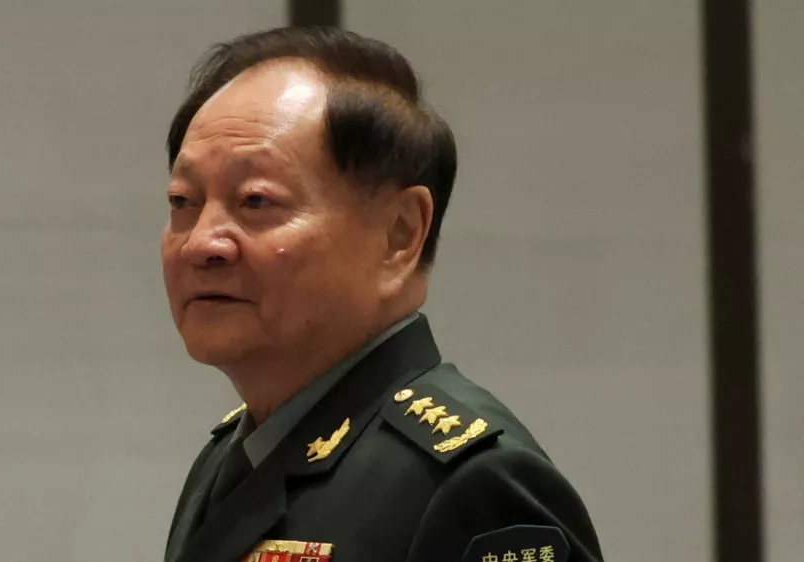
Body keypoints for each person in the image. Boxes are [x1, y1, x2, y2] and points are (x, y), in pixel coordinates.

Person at [160, 26, 602, 562]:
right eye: (182, 201)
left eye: (255, 201)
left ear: (400, 234)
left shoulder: (472, 483)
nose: (201, 243)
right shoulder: (232, 455)